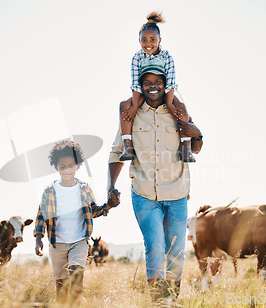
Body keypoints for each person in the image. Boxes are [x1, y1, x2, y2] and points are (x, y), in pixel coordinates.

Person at [108, 59, 203, 302]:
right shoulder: (130, 116)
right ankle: (157, 302)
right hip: (144, 194)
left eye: (158, 82)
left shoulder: (178, 112)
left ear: (165, 85)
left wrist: (198, 134)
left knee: (177, 252)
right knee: (155, 247)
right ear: (140, 85)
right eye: (147, 82)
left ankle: (171, 299)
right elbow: (116, 152)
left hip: (177, 193)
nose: (153, 86)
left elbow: (196, 146)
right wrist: (111, 186)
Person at [34, 141, 120, 303]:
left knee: (76, 272)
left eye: (71, 166)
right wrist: (39, 238)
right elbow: (41, 216)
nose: (67, 170)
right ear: (56, 167)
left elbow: (93, 210)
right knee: (60, 284)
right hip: (56, 244)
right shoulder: (49, 191)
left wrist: (109, 205)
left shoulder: (85, 189)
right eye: (62, 166)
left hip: (79, 242)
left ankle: (76, 303)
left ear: (78, 166)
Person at [119, 11, 195, 163]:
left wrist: (169, 103)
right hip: (144, 91)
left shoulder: (167, 57)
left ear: (160, 40)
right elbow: (135, 83)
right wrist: (134, 107)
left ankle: (185, 146)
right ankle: (127, 145)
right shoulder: (137, 57)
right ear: (139, 40)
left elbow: (171, 82)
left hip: (166, 90)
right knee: (124, 105)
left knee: (181, 107)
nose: (148, 44)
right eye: (144, 40)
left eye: (152, 39)